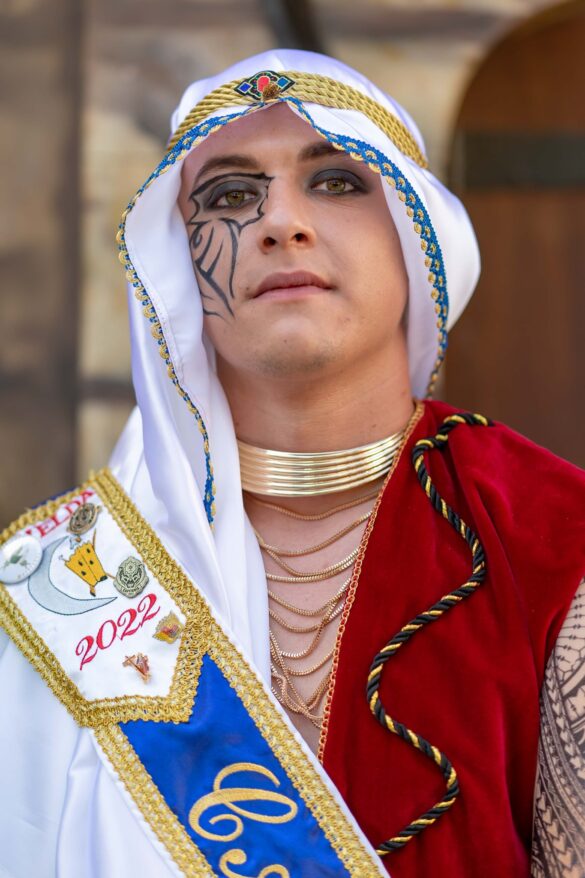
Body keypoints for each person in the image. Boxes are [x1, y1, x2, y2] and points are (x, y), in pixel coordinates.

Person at [0, 48, 583, 878]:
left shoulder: (552, 538)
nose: (279, 222)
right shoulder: (57, 588)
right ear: (175, 267)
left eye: (336, 181)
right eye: (229, 197)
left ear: (416, 233)